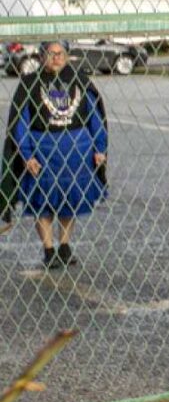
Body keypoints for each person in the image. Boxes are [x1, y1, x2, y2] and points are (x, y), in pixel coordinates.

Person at [3, 41, 107, 268]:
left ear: (67, 56)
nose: (56, 58)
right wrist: (27, 155)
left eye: (60, 54)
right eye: (51, 54)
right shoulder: (30, 84)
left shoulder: (79, 80)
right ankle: (49, 250)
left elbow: (94, 117)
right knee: (43, 204)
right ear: (42, 57)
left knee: (69, 202)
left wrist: (100, 148)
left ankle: (65, 246)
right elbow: (20, 123)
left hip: (76, 154)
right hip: (43, 154)